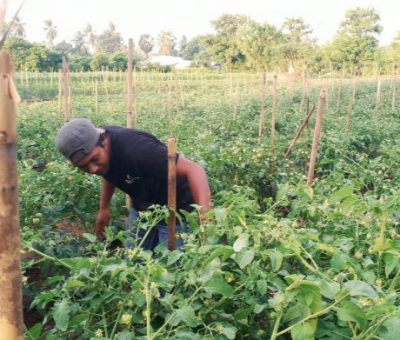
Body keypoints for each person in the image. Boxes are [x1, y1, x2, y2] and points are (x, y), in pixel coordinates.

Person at [55, 118, 211, 249]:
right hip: (142, 208)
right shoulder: (100, 154)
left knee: (171, 267)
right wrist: (104, 208)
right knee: (135, 257)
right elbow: (108, 173)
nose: (93, 169)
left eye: (94, 160)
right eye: (83, 166)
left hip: (176, 209)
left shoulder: (138, 151)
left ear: (103, 141)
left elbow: (195, 170)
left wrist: (205, 220)